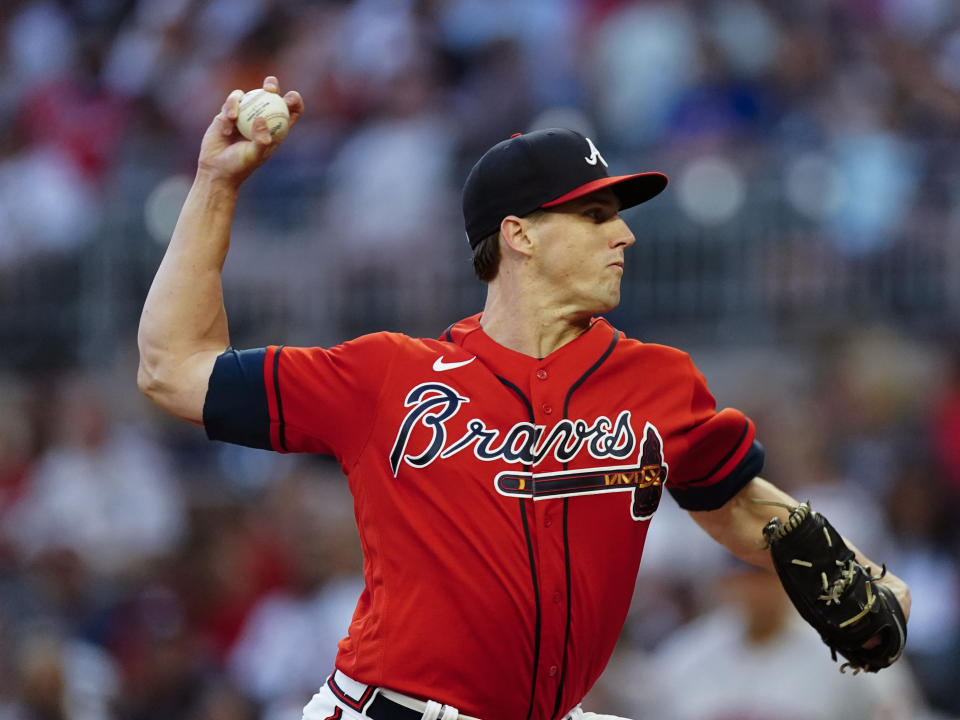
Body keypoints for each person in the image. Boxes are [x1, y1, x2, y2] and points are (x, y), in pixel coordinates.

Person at [137, 76, 911, 720]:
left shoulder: (660, 383)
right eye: (596, 214)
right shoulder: (386, 378)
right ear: (520, 235)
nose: (626, 237)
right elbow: (172, 366)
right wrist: (216, 183)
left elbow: (740, 505)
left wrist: (869, 575)